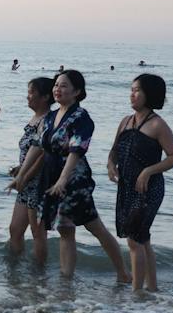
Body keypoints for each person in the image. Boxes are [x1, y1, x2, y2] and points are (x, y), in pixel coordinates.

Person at [15, 70, 130, 283]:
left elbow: (76, 151)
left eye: (64, 86)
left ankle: (123, 272)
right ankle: (66, 279)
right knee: (65, 228)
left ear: (77, 91)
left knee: (94, 226)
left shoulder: (81, 117)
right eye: (56, 85)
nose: (58, 89)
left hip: (74, 179)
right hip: (52, 176)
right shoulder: (50, 116)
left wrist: (63, 180)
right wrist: (21, 175)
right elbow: (37, 147)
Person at [108, 73, 173, 292]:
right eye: (131, 89)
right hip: (127, 187)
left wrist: (148, 171)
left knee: (134, 240)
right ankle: (152, 289)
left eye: (137, 90)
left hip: (149, 189)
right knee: (142, 238)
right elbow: (114, 150)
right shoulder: (125, 121)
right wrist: (111, 165)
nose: (132, 94)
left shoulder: (158, 124)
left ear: (149, 94)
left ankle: (136, 293)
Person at [6, 77, 55, 263]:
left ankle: (38, 276)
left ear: (44, 97)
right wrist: (19, 170)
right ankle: (15, 269)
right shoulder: (35, 118)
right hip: (26, 181)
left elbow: (43, 156)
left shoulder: (47, 120)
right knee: (15, 229)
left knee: (37, 232)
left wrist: (24, 177)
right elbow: (30, 153)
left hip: (38, 183)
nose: (28, 97)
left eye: (31, 93)